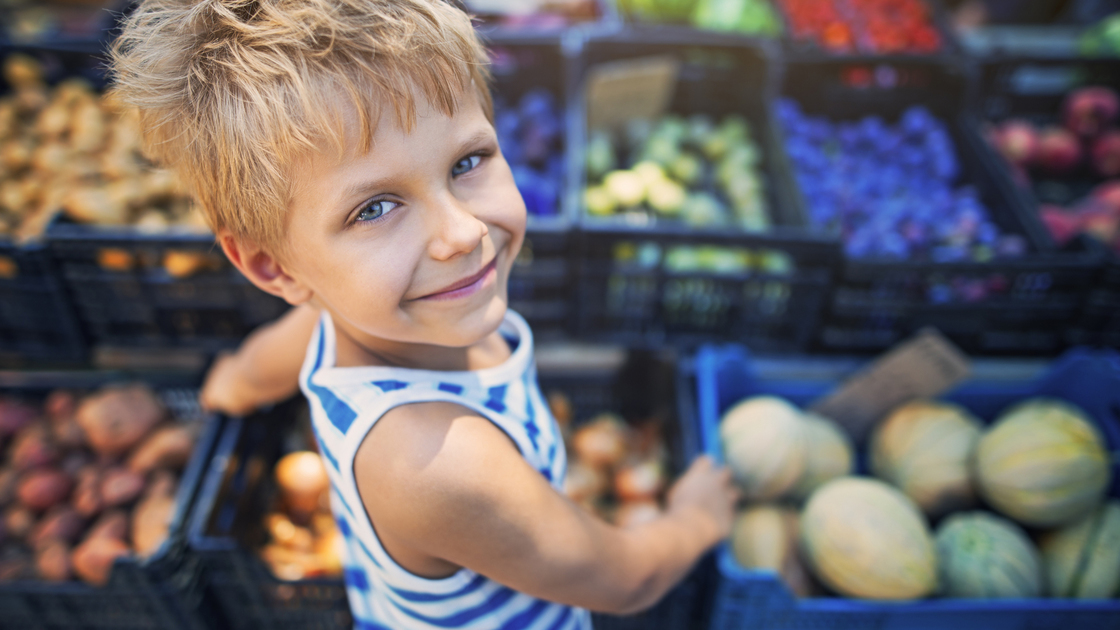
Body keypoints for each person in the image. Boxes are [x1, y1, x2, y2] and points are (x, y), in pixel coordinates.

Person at [111, 1, 738, 627]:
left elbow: (255, 369)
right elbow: (623, 578)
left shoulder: (339, 318)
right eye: (376, 208)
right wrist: (694, 520)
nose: (462, 233)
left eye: (467, 162)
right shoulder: (438, 463)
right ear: (276, 268)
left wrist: (230, 386)